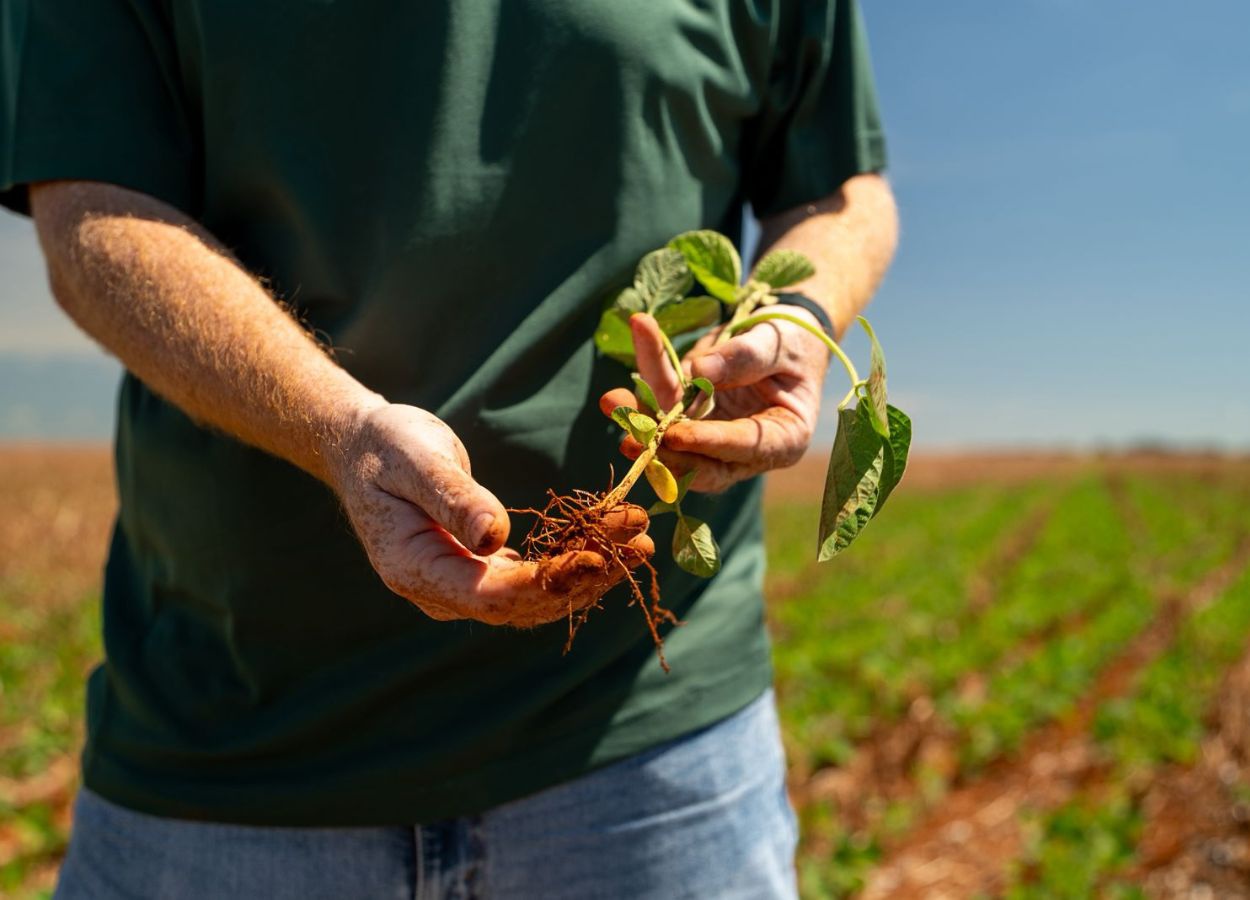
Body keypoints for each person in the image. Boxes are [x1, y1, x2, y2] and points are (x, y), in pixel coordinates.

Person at [2, 0, 897, 896]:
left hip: (650, 756)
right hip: (234, 752)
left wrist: (798, 314)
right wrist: (336, 427)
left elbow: (842, 191)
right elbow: (89, 203)